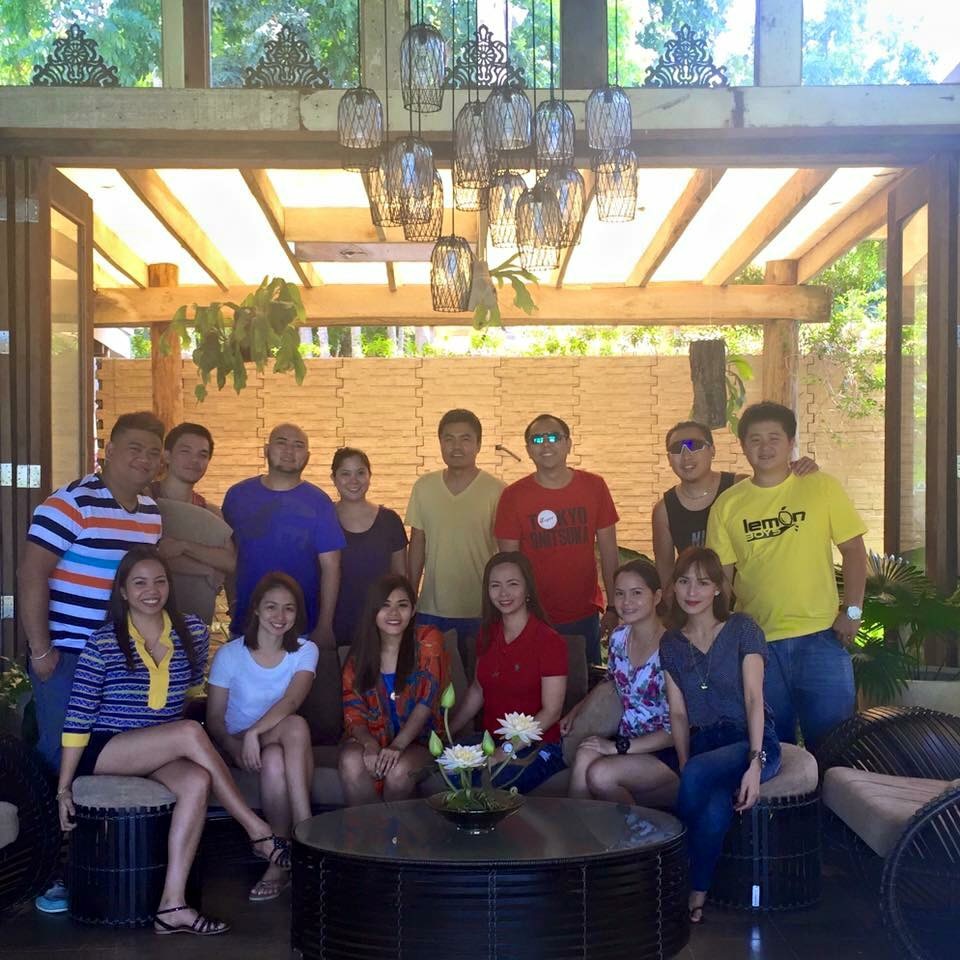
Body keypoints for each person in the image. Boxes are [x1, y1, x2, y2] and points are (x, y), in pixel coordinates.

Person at [55, 546, 291, 936]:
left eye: (160, 581)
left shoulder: (192, 632)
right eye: (140, 583)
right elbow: (79, 716)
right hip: (107, 748)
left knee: (196, 780)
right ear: (123, 591)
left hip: (160, 748)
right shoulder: (103, 642)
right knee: (188, 731)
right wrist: (64, 787)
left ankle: (173, 906)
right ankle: (256, 830)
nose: (152, 591)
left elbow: (191, 689)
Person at [706, 401, 867, 749]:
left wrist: (853, 611)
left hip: (822, 639)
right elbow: (720, 579)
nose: (765, 447)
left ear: (791, 442)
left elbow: (854, 551)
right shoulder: (727, 505)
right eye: (755, 439)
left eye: (774, 438)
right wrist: (718, 634)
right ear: (743, 446)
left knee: (835, 748)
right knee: (772, 749)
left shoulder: (821, 486)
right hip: (757, 645)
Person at [659, 547, 782, 925]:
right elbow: (678, 713)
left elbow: (754, 698)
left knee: (699, 774)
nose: (691, 591)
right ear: (673, 587)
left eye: (702, 582)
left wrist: (755, 765)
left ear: (717, 588)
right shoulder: (671, 643)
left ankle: (665, 869)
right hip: (705, 746)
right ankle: (696, 892)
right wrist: (684, 764)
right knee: (712, 807)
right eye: (683, 581)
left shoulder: (742, 628)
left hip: (751, 740)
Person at [206, 572, 317, 902]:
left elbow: (292, 700)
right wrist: (236, 744)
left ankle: (280, 857)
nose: (280, 616)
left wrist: (257, 732)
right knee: (293, 729)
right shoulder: (230, 654)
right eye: (271, 607)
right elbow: (214, 719)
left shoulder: (306, 650)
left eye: (288, 608)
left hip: (274, 741)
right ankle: (308, 835)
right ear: (255, 608)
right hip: (239, 744)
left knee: (282, 745)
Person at [495, 414, 619, 666]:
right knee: (534, 685)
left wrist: (614, 607)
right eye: (537, 439)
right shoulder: (513, 496)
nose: (545, 444)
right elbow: (509, 564)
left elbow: (609, 553)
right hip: (533, 616)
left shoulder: (594, 487)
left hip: (583, 614)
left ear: (568, 443)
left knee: (585, 683)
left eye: (553, 437)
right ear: (528, 450)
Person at [651, 420, 817, 597]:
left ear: (712, 450)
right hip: (699, 604)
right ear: (669, 459)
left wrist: (805, 472)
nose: (686, 455)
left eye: (695, 445)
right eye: (677, 449)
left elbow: (786, 509)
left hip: (754, 599)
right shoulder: (664, 510)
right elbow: (666, 575)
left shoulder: (740, 486)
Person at [449, 552, 567, 793]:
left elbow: (551, 711)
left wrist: (505, 751)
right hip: (490, 739)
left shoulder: (549, 641)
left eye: (512, 584)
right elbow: (478, 689)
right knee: (447, 771)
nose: (503, 593)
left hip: (536, 745)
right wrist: (447, 732)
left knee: (488, 786)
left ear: (527, 588)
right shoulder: (487, 633)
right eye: (495, 586)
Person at [563, 559, 677, 806]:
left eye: (636, 593)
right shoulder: (618, 638)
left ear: (657, 596)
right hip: (626, 741)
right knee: (585, 753)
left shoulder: (673, 648)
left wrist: (617, 748)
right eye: (620, 594)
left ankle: (634, 831)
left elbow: (677, 728)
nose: (626, 602)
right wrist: (576, 710)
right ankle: (575, 826)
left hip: (663, 750)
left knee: (600, 775)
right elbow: (610, 682)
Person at [222, 423, 345, 649]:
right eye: (282, 442)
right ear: (266, 450)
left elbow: (331, 566)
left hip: (301, 627)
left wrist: (325, 625)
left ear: (307, 456)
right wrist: (233, 601)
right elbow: (227, 554)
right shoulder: (238, 496)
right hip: (246, 623)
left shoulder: (319, 502)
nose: (289, 450)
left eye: (298, 445)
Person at [405, 409, 504, 673]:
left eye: (465, 439)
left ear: (478, 444)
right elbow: (417, 543)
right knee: (431, 682)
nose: (456, 446)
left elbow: (506, 551)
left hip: (481, 609)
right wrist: (410, 592)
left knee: (479, 680)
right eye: (448, 439)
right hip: (431, 609)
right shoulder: (424, 487)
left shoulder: (497, 490)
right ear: (440, 443)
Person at [339, 575, 449, 805]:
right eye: (385, 605)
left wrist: (398, 746)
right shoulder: (359, 657)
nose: (394, 613)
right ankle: (366, 829)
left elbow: (427, 701)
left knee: (398, 771)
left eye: (402, 605)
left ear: (413, 609)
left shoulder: (428, 640)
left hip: (420, 742)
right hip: (375, 737)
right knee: (351, 761)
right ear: (373, 610)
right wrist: (369, 744)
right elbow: (354, 713)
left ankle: (394, 829)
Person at [151, 422, 235, 624]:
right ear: (167, 455)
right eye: (185, 451)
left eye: (202, 455)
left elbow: (230, 562)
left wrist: (184, 546)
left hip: (195, 621)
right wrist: (205, 570)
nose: (194, 460)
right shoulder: (144, 498)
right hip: (145, 616)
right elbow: (146, 556)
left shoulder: (210, 512)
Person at [330, 447, 407, 648]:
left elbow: (400, 577)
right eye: (345, 474)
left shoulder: (390, 520)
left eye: (360, 473)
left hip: (381, 625)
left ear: (369, 476)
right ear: (334, 478)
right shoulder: (323, 518)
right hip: (334, 623)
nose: (354, 480)